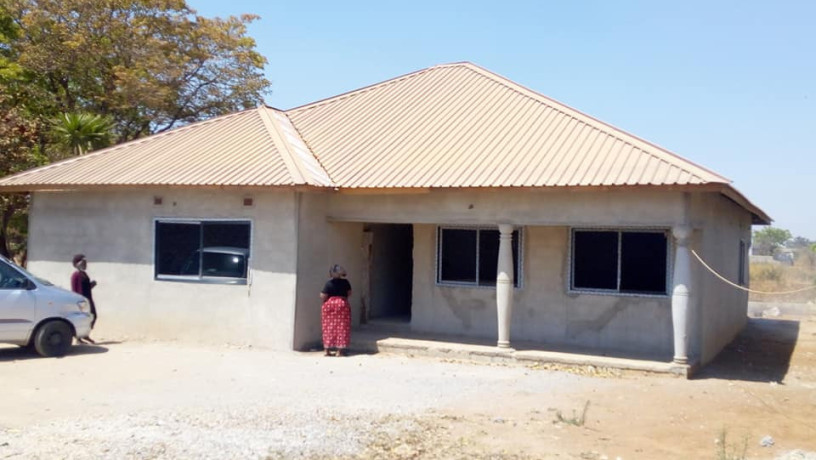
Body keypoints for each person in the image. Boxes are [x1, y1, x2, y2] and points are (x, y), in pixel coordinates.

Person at [320, 264, 352, 357]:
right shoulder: (345, 282)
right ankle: (339, 351)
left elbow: (323, 295)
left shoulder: (328, 283)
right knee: (342, 327)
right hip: (342, 305)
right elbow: (349, 293)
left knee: (328, 327)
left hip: (329, 305)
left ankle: (327, 350)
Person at [71, 254, 97, 344]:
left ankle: (85, 335)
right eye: (84, 263)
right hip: (82, 302)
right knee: (84, 318)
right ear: (78, 264)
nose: (86, 265)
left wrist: (91, 285)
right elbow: (75, 290)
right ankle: (79, 338)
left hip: (88, 299)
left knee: (93, 316)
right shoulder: (76, 275)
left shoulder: (84, 274)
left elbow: (86, 287)